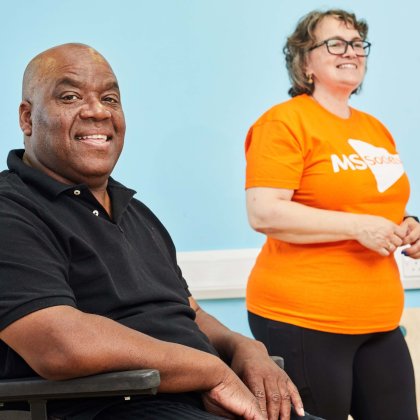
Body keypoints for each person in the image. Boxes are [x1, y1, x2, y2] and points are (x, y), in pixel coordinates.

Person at [0, 43, 314, 420]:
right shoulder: (12, 209)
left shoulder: (137, 213)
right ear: (27, 118)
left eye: (110, 98)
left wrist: (246, 348)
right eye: (70, 97)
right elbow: (58, 344)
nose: (98, 111)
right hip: (115, 406)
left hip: (199, 401)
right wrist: (211, 370)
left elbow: (188, 313)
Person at [244, 9, 419, 420]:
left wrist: (409, 225)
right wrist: (357, 227)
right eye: (335, 43)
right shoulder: (284, 122)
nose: (351, 52)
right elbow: (263, 212)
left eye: (358, 44)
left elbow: (376, 205)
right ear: (305, 61)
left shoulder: (374, 129)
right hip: (304, 319)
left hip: (378, 320)